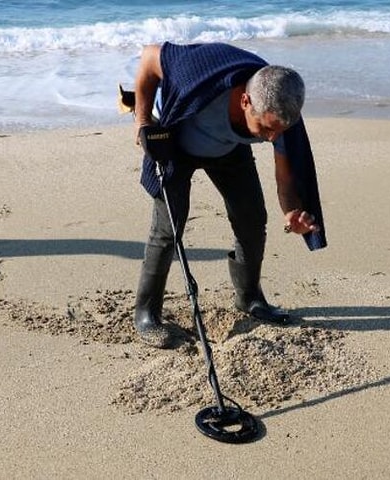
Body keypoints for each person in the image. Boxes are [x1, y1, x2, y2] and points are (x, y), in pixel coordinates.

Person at [131, 41, 327, 348]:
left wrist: (291, 212)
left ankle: (249, 297)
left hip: (228, 149)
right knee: (169, 227)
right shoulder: (195, 70)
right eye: (266, 129)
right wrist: (142, 121)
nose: (273, 137)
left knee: (252, 219)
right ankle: (146, 313)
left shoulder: (280, 111)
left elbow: (286, 172)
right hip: (177, 140)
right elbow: (149, 57)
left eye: (279, 131)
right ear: (246, 100)